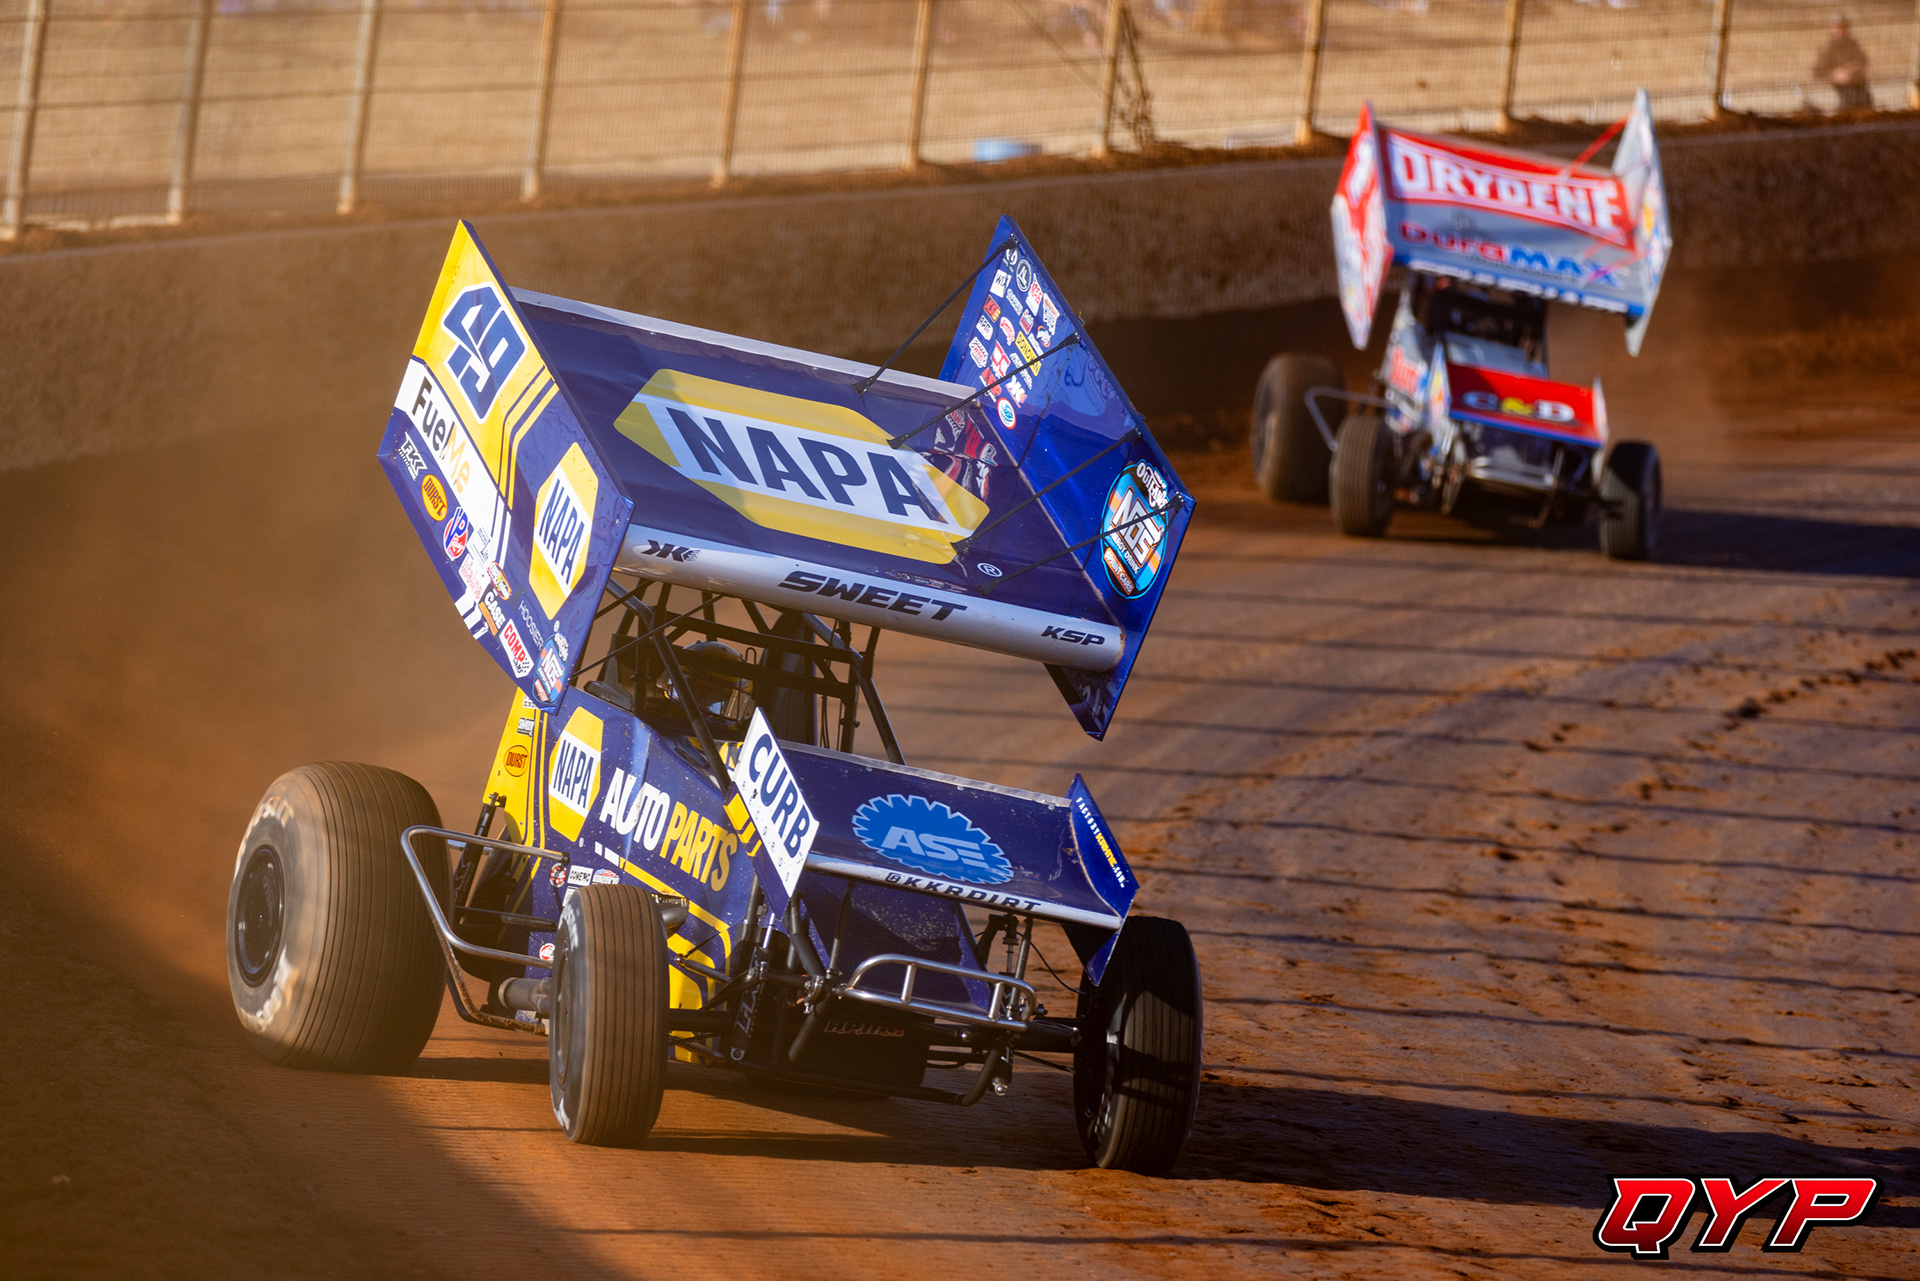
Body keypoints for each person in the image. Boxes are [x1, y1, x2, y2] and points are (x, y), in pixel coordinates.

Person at [1814, 14, 1872, 111]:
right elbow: (1817, 72)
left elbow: (1863, 61)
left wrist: (1851, 68)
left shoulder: (1853, 45)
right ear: (1831, 28)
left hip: (1860, 90)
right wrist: (1834, 74)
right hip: (1842, 92)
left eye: (1842, 27)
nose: (1840, 30)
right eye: (1837, 27)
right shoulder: (1828, 49)